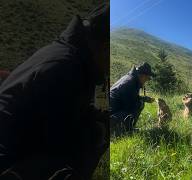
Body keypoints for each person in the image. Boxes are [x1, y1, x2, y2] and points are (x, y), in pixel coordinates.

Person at [0, 3, 108, 180]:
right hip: (10, 165)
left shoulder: (67, 55)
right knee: (90, 140)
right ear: (105, 47)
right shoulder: (66, 68)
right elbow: (59, 141)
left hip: (19, 151)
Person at [110, 62, 155, 134]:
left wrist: (144, 98)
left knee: (139, 102)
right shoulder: (130, 83)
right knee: (139, 104)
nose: (147, 80)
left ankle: (125, 127)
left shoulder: (131, 78)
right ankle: (122, 130)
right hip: (112, 117)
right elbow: (128, 106)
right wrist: (142, 100)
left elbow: (129, 97)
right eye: (148, 78)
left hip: (114, 112)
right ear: (142, 75)